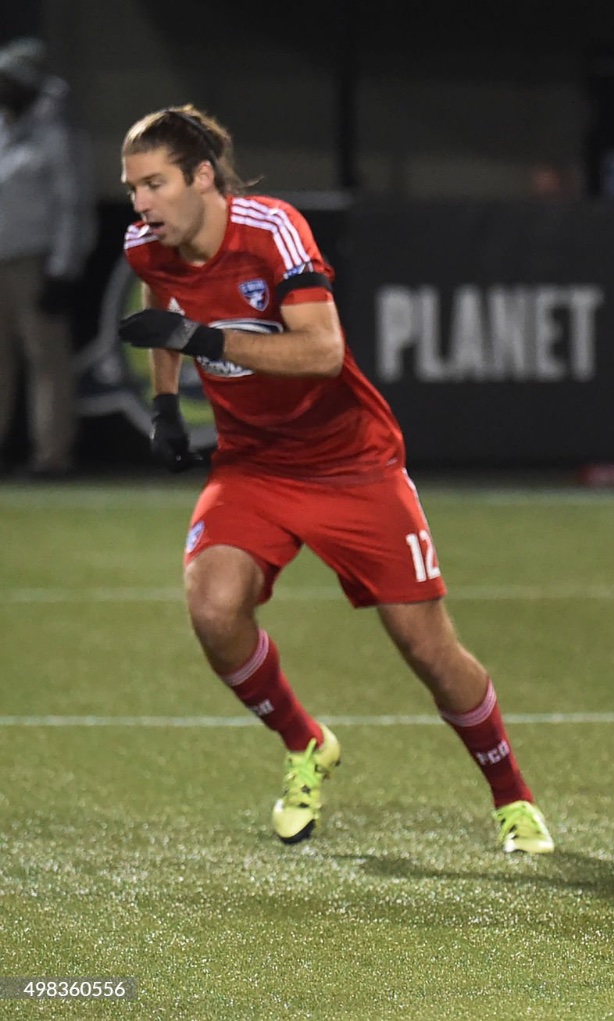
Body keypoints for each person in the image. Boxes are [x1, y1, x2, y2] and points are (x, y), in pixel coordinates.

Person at [116, 105, 554, 855]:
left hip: (353, 465)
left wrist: (200, 340)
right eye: (131, 188)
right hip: (254, 464)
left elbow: (320, 352)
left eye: (154, 184)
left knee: (427, 650)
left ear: (202, 177)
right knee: (213, 607)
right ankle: (304, 742)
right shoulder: (147, 246)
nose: (140, 203)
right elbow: (164, 307)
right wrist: (164, 402)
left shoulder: (271, 231)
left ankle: (512, 798)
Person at [0, 37, 91, 477]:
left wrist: (61, 269)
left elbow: (72, 205)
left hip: (33, 261)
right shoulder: (4, 128)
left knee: (46, 360)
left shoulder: (55, 132)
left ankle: (52, 456)